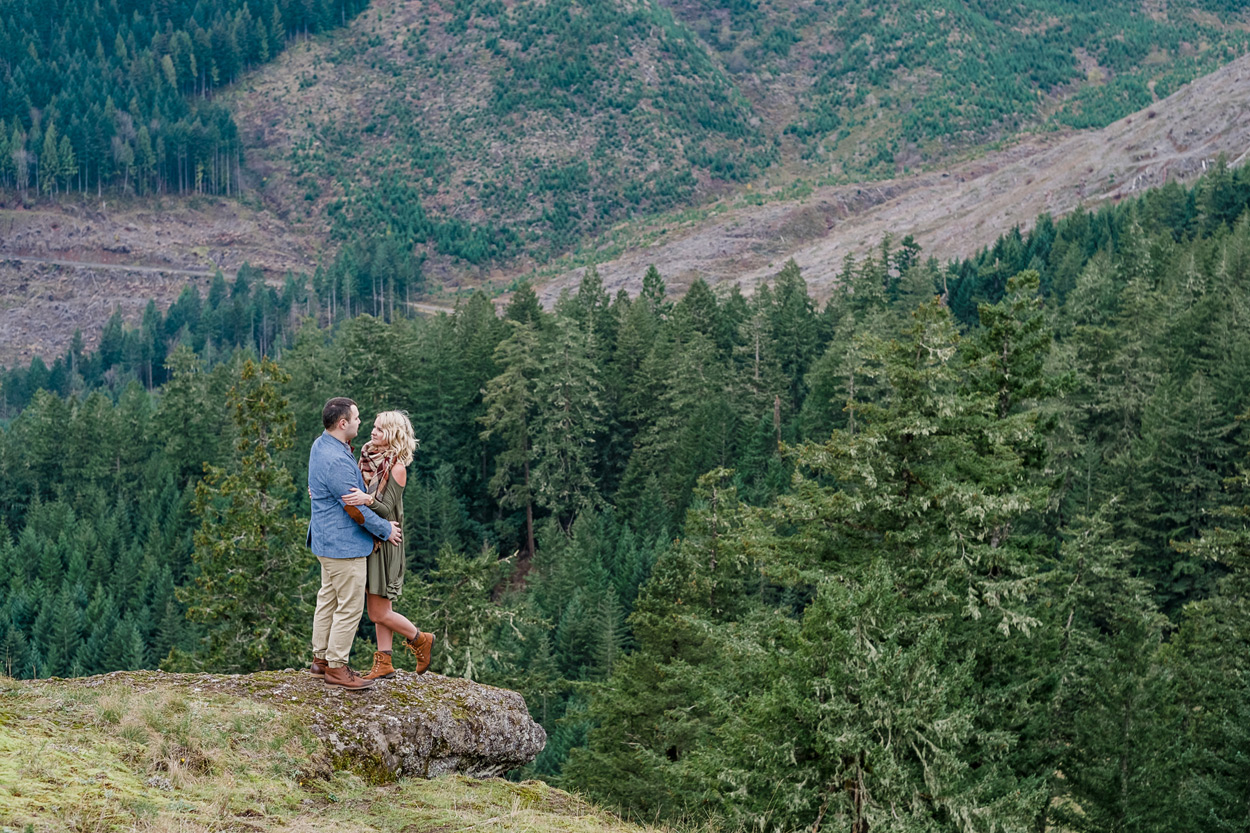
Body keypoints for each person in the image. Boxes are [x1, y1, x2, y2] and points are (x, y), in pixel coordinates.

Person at [307, 397, 402, 691]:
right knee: (348, 607)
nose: (361, 423)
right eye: (358, 418)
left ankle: (320, 659)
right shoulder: (337, 460)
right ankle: (337, 667)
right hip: (343, 545)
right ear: (343, 423)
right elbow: (355, 509)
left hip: (326, 540)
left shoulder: (321, 445)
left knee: (328, 599)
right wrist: (385, 529)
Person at [341, 410, 435, 680]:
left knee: (378, 610)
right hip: (372, 539)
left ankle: (420, 639)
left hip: (386, 541)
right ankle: (384, 663)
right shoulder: (368, 457)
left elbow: (385, 509)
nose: (373, 431)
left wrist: (365, 499)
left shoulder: (397, 468)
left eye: (380, 429)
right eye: (374, 426)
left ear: (393, 435)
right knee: (382, 609)